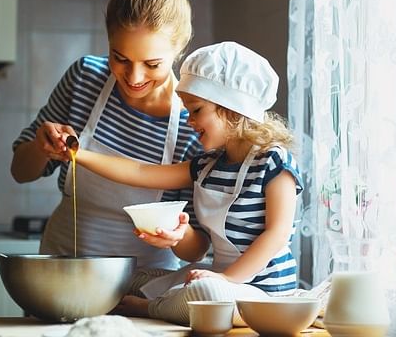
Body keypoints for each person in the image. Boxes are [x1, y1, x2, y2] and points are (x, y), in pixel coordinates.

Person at [69, 41, 304, 325]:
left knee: (207, 291)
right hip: (219, 280)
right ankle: (165, 299)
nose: (189, 120)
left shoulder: (274, 163)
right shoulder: (207, 165)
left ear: (231, 108)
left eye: (196, 110)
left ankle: (148, 308)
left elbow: (277, 234)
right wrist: (76, 153)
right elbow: (142, 172)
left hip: (264, 295)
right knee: (134, 276)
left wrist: (226, 278)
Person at [10, 0, 202, 272]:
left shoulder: (191, 122)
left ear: (179, 49)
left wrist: (177, 235)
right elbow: (21, 171)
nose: (134, 76)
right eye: (120, 57)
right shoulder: (85, 78)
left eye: (152, 64)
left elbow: (198, 247)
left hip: (143, 290)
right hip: (60, 272)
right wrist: (40, 148)